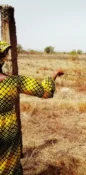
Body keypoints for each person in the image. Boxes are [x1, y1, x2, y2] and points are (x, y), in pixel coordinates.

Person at [0, 41, 64, 175]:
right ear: (3, 59)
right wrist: (55, 73)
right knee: (8, 165)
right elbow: (44, 90)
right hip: (7, 128)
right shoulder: (14, 81)